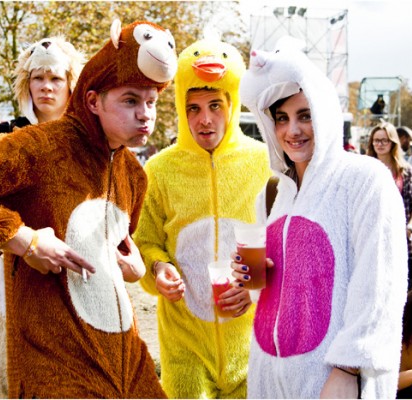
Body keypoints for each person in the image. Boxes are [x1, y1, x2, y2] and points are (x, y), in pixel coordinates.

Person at [0, 19, 177, 398]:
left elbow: (116, 251)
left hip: (126, 359)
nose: (145, 113)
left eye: (151, 101)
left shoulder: (134, 174)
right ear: (94, 100)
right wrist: (23, 239)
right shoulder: (38, 146)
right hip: (54, 366)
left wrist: (134, 268)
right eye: (130, 100)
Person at [236, 39, 408, 398]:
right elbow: (277, 301)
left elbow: (381, 283)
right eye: (281, 118)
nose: (292, 131)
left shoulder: (364, 181)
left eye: (305, 115)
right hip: (269, 379)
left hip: (334, 382)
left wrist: (349, 368)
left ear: (325, 112)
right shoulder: (270, 197)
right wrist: (253, 281)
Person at [133, 39, 271, 398]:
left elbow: (282, 238)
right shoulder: (160, 169)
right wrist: (158, 270)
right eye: (193, 108)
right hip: (185, 347)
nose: (204, 119)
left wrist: (255, 290)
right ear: (181, 109)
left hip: (252, 345)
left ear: (232, 105)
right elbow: (145, 240)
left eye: (214, 105)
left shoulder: (264, 163)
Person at [0, 36, 85, 399]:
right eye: (37, 78)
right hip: (11, 269)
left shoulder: (88, 141)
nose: (46, 87)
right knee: (9, 364)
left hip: (74, 269)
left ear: (71, 84)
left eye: (56, 79)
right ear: (26, 84)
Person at [366, 122, 412, 259]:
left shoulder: (408, 172)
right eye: (376, 140)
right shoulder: (365, 170)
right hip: (371, 237)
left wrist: (409, 228)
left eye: (384, 140)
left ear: (393, 142)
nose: (380, 144)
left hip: (399, 237)